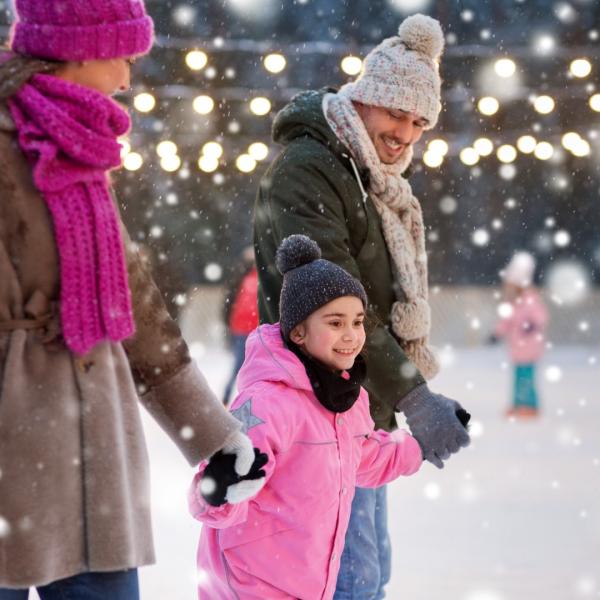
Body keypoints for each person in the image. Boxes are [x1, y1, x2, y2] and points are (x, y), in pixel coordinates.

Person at [0, 1, 259, 597]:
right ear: (77, 52)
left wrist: (214, 437)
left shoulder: (82, 147)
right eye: (121, 57)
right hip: (14, 445)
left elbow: (135, 307)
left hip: (96, 453)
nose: (126, 77)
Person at [253, 13, 471, 598]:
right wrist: (413, 395)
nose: (405, 132)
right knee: (344, 580)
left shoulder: (365, 175)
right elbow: (334, 301)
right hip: (315, 411)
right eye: (396, 112)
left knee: (366, 575)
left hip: (353, 412)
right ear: (365, 99)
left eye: (419, 121)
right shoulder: (311, 169)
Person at [188, 235, 424, 599]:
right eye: (335, 323)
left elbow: (367, 457)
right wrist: (216, 489)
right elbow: (216, 494)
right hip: (250, 585)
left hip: (310, 583)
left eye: (357, 322)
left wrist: (421, 445)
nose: (351, 335)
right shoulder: (268, 404)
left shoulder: (346, 399)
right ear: (298, 331)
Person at [494, 252, 548, 418]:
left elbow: (541, 316)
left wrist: (531, 325)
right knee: (518, 378)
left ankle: (530, 405)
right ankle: (518, 404)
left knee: (527, 378)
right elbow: (507, 320)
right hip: (517, 348)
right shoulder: (513, 302)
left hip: (530, 347)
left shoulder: (530, 299)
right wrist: (497, 333)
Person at [222, 247, 259, 405]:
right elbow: (229, 302)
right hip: (241, 330)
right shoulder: (241, 278)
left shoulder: (262, 278)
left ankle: (250, 403)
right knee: (239, 367)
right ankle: (228, 400)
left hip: (255, 331)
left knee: (254, 370)